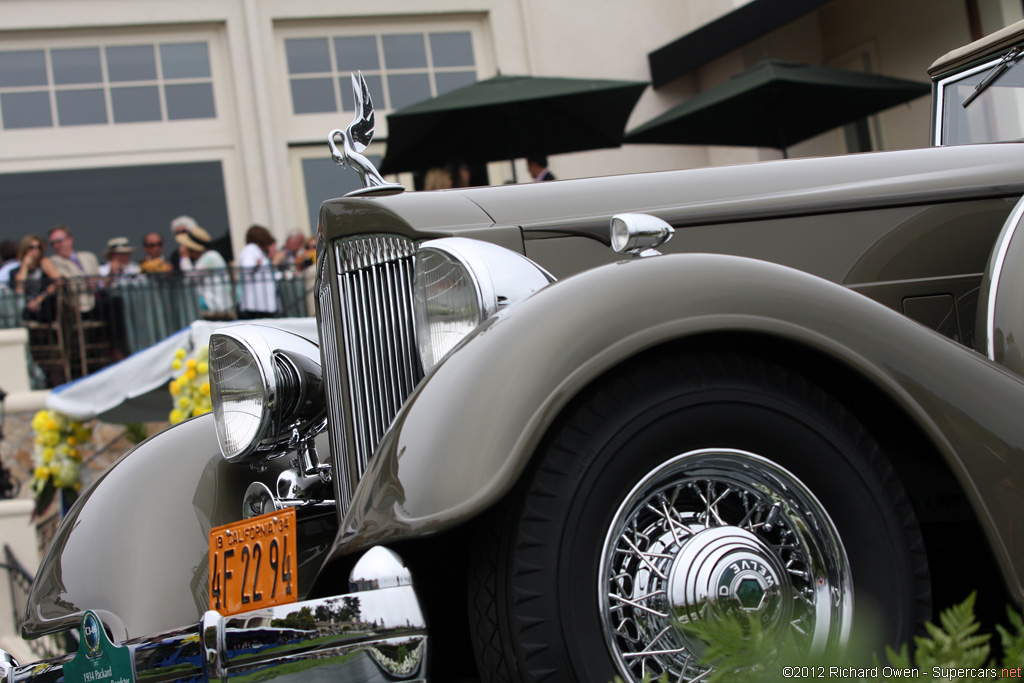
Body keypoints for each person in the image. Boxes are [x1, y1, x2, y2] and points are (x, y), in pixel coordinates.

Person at [175, 223, 233, 319]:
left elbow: (191, 278)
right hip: (212, 303)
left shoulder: (211, 256)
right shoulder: (204, 257)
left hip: (215, 304)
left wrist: (184, 258)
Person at [12, 234, 61, 321]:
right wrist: (25, 266)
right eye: (31, 247)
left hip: (43, 304)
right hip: (25, 306)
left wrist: (40, 298)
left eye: (39, 247)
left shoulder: (44, 265)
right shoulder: (16, 270)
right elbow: (19, 289)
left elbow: (58, 281)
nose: (36, 250)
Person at [238, 224, 280, 319]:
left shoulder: (257, 251)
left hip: (261, 305)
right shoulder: (250, 250)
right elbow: (247, 268)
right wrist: (256, 265)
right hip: (256, 305)